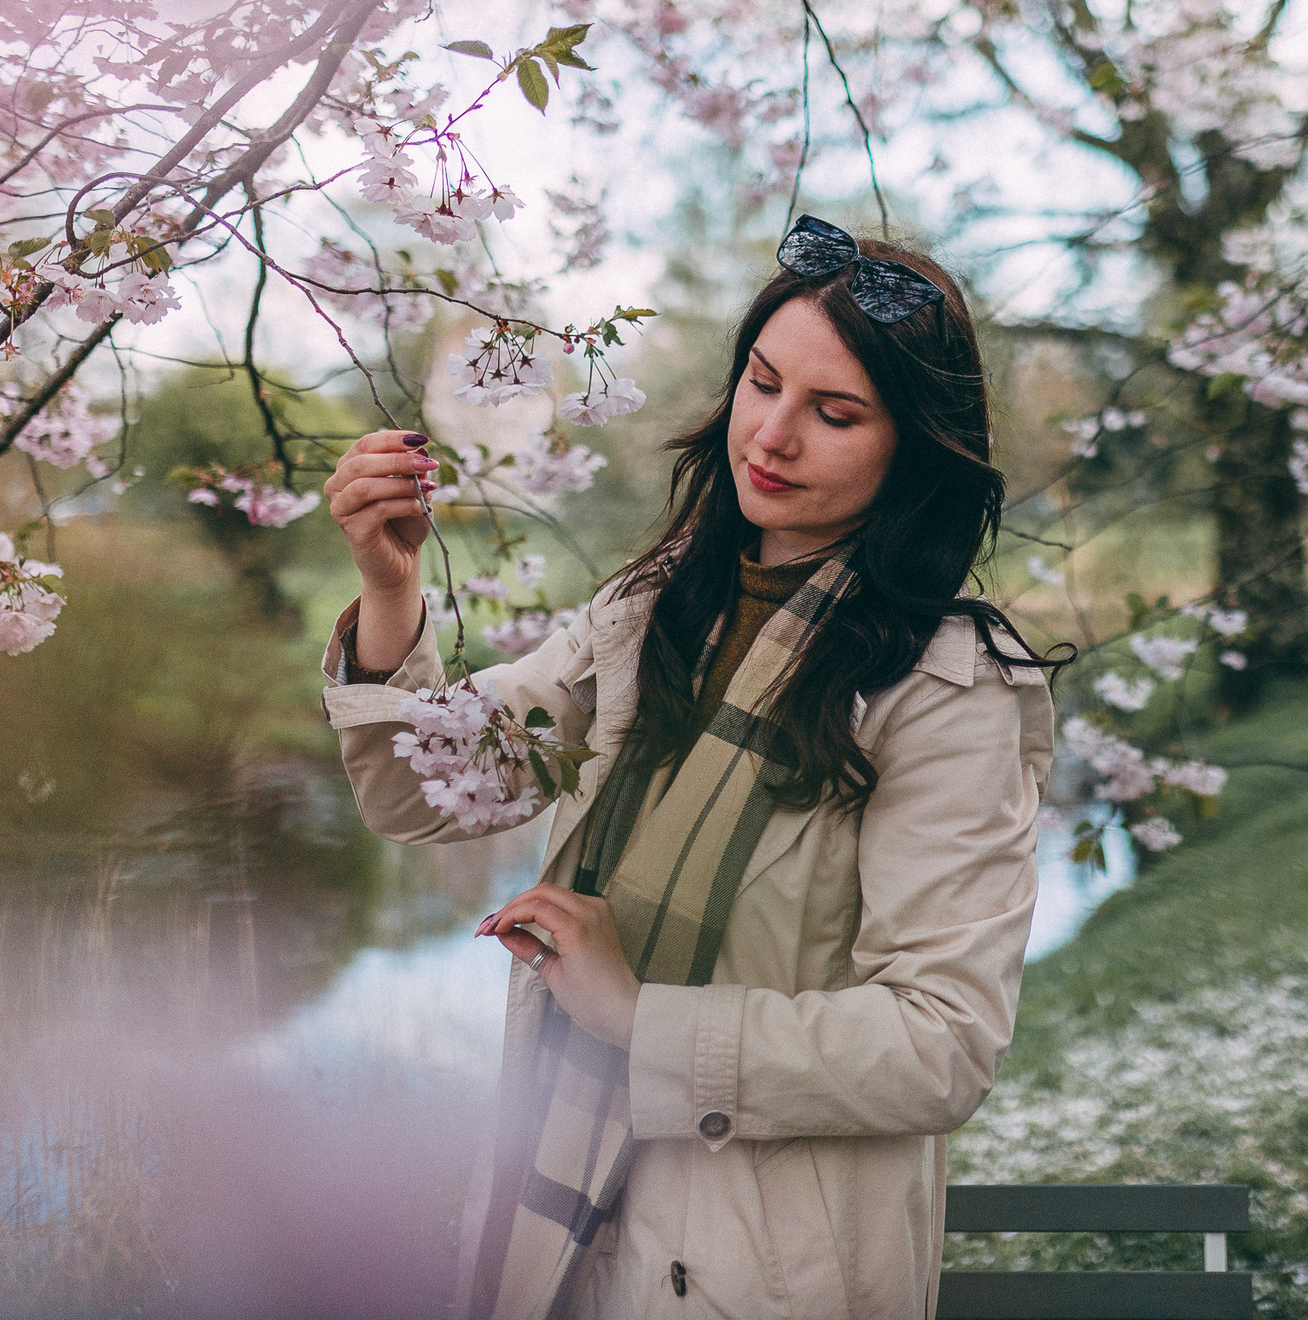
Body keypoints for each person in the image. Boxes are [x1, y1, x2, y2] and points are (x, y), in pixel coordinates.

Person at [318, 216, 1061, 1320]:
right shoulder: (655, 611)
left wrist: (638, 1017)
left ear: (914, 450)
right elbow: (423, 793)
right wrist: (389, 590)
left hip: (766, 1263)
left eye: (835, 413)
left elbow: (940, 1044)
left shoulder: (946, 687)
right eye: (762, 383)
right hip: (561, 1228)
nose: (773, 434)